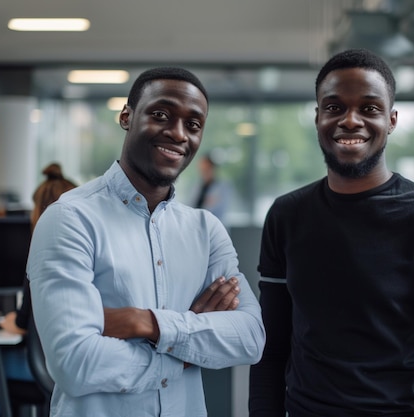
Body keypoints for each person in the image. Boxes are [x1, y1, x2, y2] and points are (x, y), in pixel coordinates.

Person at [248, 49, 414, 417]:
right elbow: (270, 351)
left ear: (391, 120)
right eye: (334, 107)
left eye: (369, 108)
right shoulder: (287, 215)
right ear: (318, 117)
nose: (350, 120)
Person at [26, 67, 265, 417]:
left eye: (194, 124)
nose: (178, 133)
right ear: (126, 116)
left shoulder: (205, 230)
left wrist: (147, 323)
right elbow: (74, 362)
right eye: (161, 114)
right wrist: (183, 351)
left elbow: (249, 338)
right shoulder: (69, 219)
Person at [0, 162, 77, 417]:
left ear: (41, 212)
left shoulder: (41, 257)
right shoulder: (88, 257)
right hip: (80, 363)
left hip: (47, 366)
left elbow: (21, 325)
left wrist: (4, 321)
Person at [193, 152, 233, 223]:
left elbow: (219, 210)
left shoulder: (222, 187)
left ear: (212, 168)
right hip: (197, 224)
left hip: (214, 224)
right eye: (202, 169)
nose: (204, 172)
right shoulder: (197, 186)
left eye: (206, 169)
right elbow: (190, 206)